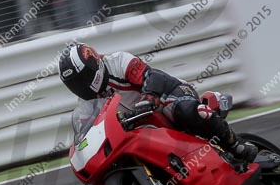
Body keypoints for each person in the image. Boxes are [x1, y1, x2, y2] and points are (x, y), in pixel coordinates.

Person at [58, 43, 258, 162]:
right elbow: (89, 130)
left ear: (94, 64)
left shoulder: (118, 62)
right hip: (141, 126)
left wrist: (149, 97)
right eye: (75, 84)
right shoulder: (87, 103)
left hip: (166, 96)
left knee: (184, 111)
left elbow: (152, 76)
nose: (82, 86)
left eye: (83, 78)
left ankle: (235, 145)